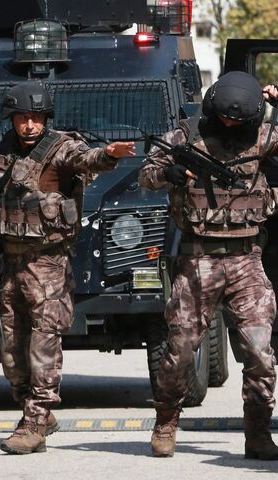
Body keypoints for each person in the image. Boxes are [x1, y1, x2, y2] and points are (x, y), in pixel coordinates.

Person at [0, 82, 135, 454]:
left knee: (44, 342)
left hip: (48, 263)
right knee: (11, 350)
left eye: (36, 118)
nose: (29, 125)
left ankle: (37, 419)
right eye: (22, 118)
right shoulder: (8, 148)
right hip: (11, 262)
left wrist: (109, 155)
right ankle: (31, 406)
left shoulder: (61, 147)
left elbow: (87, 159)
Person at [139, 71, 278, 460]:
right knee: (180, 350)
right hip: (197, 258)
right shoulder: (185, 136)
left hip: (247, 259)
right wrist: (168, 174)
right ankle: (166, 420)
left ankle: (258, 432)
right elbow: (146, 175)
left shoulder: (265, 137)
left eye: (239, 120)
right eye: (225, 117)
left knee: (260, 352)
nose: (231, 124)